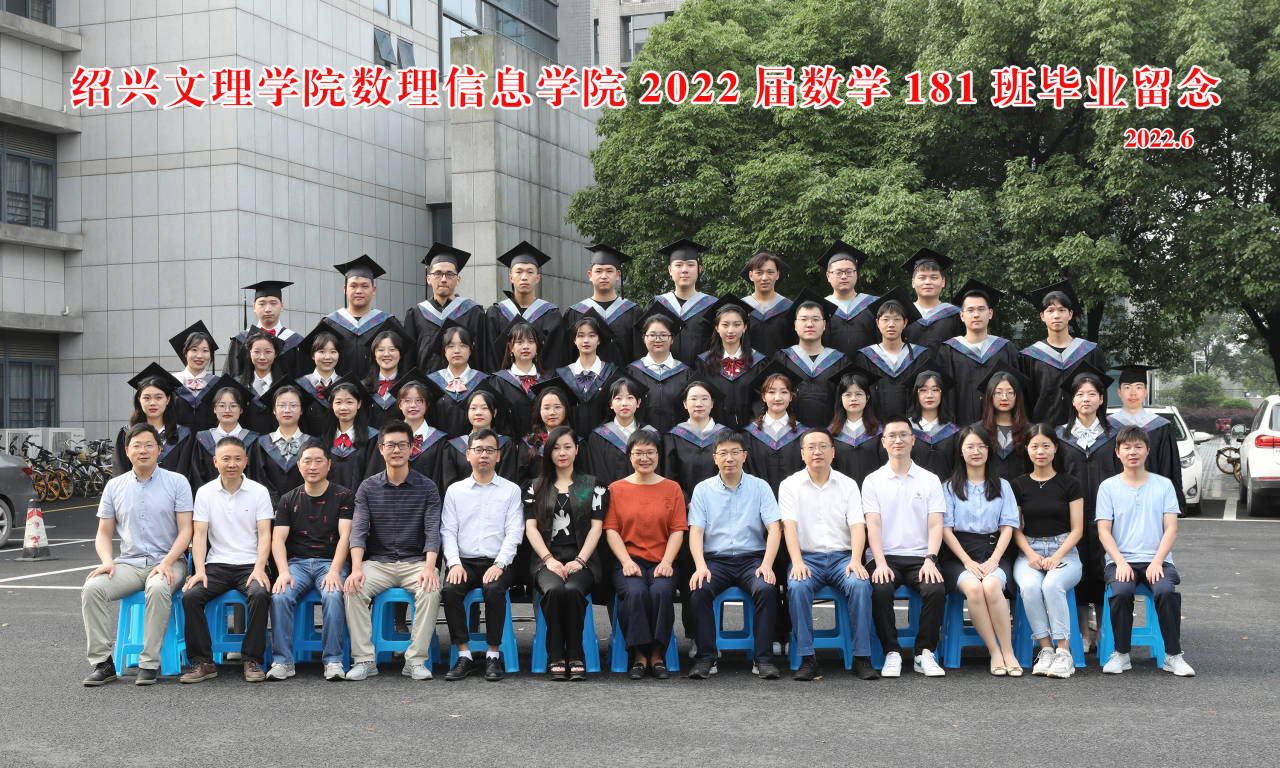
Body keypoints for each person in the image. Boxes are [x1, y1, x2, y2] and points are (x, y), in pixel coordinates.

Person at [80, 424, 193, 686]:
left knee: (158, 586)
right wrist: (107, 561)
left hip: (169, 562)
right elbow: (103, 533)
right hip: (129, 564)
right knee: (92, 588)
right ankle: (103, 663)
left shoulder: (177, 482)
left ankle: (149, 663)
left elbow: (186, 531)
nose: (143, 450)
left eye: (149, 445)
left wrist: (167, 562)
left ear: (159, 449)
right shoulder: (114, 486)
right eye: (137, 446)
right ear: (127, 450)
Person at [342, 421, 444, 681]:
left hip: (415, 562)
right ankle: (364, 660)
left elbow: (433, 532)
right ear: (381, 449)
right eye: (390, 445)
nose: (396, 450)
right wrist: (356, 569)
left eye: (402, 445)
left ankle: (415, 661)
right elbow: (358, 531)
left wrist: (430, 568)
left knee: (431, 588)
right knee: (353, 587)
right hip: (379, 563)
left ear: (412, 448)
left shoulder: (428, 487)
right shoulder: (368, 487)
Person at [780, 429, 878, 681]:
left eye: (823, 446)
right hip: (807, 558)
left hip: (842, 558)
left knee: (860, 584)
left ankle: (861, 657)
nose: (817, 452)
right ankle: (807, 658)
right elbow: (789, 526)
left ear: (833, 452)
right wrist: (797, 562)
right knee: (798, 586)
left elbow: (858, 525)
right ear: (802, 453)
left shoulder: (848, 484)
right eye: (811, 447)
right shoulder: (790, 485)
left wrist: (855, 559)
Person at [1096, 425, 1195, 676]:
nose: (1133, 452)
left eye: (1138, 446)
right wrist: (1120, 562)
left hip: (1157, 560)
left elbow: (1171, 529)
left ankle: (1173, 656)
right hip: (1120, 561)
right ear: (1117, 452)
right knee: (1121, 592)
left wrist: (1157, 562)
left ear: (1148, 450)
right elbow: (1104, 531)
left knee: (1165, 591)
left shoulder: (1164, 485)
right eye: (1127, 447)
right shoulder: (1108, 487)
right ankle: (1121, 654)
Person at [685, 431, 783, 680]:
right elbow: (696, 532)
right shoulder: (703, 490)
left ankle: (763, 659)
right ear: (715, 458)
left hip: (752, 559)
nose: (729, 458)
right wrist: (700, 566)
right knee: (699, 589)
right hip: (715, 561)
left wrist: (767, 564)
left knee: (766, 588)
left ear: (744, 456)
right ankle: (707, 657)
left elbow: (774, 528)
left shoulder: (760, 487)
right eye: (723, 453)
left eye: (735, 452)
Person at [179, 436, 274, 683]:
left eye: (237, 459)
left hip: (250, 564)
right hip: (217, 565)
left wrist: (260, 568)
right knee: (191, 596)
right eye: (226, 459)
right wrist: (199, 570)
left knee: (259, 593)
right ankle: (203, 662)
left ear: (245, 461)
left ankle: (251, 659)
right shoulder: (205, 492)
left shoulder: (259, 492)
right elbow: (199, 535)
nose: (232, 464)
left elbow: (265, 534)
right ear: (215, 461)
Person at [862, 415, 947, 678]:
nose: (898, 440)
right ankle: (892, 652)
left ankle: (924, 653)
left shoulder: (929, 479)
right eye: (892, 435)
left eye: (903, 435)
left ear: (913, 440)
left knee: (935, 588)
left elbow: (936, 524)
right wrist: (880, 563)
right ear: (883, 442)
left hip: (920, 556)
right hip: (884, 556)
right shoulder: (873, 480)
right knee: (880, 588)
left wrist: (931, 559)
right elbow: (873, 525)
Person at [523, 426, 609, 680]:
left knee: (572, 590)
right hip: (546, 560)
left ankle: (575, 653)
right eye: (556, 448)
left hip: (583, 559)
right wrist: (549, 560)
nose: (562, 453)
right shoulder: (535, 487)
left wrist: (580, 560)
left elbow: (596, 528)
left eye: (567, 447)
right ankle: (556, 656)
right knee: (554, 590)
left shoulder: (594, 485)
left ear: (577, 450)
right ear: (548, 452)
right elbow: (531, 529)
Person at [440, 429, 524, 681]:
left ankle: (493, 654)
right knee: (450, 590)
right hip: (464, 561)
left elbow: (514, 532)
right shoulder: (455, 491)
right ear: (468, 454)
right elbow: (447, 531)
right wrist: (454, 563)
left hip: (498, 561)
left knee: (494, 589)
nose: (484, 455)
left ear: (498, 455)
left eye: (489, 450)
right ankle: (464, 654)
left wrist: (500, 564)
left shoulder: (511, 490)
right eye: (478, 450)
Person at [266, 440, 354, 681]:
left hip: (330, 562)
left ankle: (333, 660)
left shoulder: (344, 496)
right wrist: (283, 572)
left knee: (333, 595)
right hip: (298, 564)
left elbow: (345, 537)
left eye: (318, 461)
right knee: (280, 595)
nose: (312, 466)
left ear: (329, 464)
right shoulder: (288, 499)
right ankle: (283, 661)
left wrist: (335, 570)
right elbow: (277, 539)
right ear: (299, 465)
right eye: (307, 461)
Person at [604, 431, 688, 679]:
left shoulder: (672, 488)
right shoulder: (616, 489)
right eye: (638, 453)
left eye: (650, 452)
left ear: (658, 455)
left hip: (663, 559)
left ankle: (657, 655)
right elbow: (611, 530)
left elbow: (678, 530)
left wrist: (668, 561)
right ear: (629, 456)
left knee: (661, 591)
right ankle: (639, 655)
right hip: (629, 559)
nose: (644, 458)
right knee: (635, 592)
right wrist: (626, 561)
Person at [939, 425, 1021, 675]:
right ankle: (994, 652)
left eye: (981, 446)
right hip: (958, 555)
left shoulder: (1003, 486)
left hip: (994, 550)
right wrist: (967, 561)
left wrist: (995, 559)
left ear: (989, 450)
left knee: (992, 586)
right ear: (961, 451)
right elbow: (945, 530)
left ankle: (1008, 651)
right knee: (974, 588)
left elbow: (1008, 526)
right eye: (970, 447)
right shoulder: (949, 487)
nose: (976, 452)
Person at [1055, 364, 1120, 651]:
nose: (1086, 399)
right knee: (1078, 572)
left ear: (1101, 399)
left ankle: (1104, 630)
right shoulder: (1060, 436)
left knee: (1104, 571)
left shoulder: (1115, 435)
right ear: (1072, 400)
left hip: (1107, 517)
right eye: (1080, 394)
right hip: (1072, 518)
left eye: (1092, 394)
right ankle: (1083, 632)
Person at [1011, 424, 1084, 678]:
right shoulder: (1018, 485)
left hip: (1064, 551)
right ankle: (1046, 650)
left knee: (1052, 585)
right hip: (1028, 551)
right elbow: (1015, 529)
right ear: (1026, 450)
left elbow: (1077, 529)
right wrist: (1031, 555)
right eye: (1034, 446)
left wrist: (1056, 556)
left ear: (1055, 448)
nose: (1040, 451)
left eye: (1046, 446)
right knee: (1030, 587)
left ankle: (1064, 652)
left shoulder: (1070, 483)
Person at [1018, 281, 1107, 426]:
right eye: (1050, 310)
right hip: (1043, 433)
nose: (1056, 315)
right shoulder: (1029, 356)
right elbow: (1026, 401)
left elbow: (1101, 394)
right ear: (1042, 316)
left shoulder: (1090, 351)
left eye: (1062, 310)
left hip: (1083, 432)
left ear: (1070, 314)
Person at [934, 279, 1018, 427]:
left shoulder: (1005, 349)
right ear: (962, 316)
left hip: (1000, 429)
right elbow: (944, 396)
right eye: (970, 310)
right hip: (961, 429)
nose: (976, 315)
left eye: (981, 309)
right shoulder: (948, 351)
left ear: (990, 313)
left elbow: (1017, 392)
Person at [1109, 364, 1186, 513]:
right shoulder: (1108, 427)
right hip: (1117, 504)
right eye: (1127, 387)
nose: (1133, 393)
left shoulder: (1161, 426)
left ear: (1145, 392)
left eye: (1138, 387)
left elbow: (1169, 467)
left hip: (1152, 504)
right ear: (1119, 392)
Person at [405, 242, 489, 373]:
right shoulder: (416, 314)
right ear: (428, 278)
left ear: (458, 279)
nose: (443, 279)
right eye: (438, 273)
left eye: (449, 274)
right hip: (425, 383)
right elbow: (408, 359)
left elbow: (481, 356)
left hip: (464, 383)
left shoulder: (473, 312)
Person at [322, 255, 407, 378]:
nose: (359, 291)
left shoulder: (388, 323)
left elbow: (404, 361)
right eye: (353, 286)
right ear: (345, 289)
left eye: (365, 286)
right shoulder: (330, 323)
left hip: (377, 388)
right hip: (340, 389)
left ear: (373, 290)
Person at [486, 241, 567, 370]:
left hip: (541, 381)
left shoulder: (550, 314)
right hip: (502, 380)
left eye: (530, 272)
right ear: (511, 277)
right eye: (519, 272)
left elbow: (555, 357)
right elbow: (490, 356)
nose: (524, 277)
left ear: (538, 278)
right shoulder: (495, 313)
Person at [853, 288, 933, 418]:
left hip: (912, 424)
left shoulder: (920, 356)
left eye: (897, 319)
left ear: (905, 323)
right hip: (875, 425)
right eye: (886, 319)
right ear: (877, 323)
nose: (891, 324)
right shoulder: (866, 357)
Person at [776, 290, 847, 429]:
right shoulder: (783, 358)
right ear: (795, 325)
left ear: (824, 324)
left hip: (830, 434)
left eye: (815, 319)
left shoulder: (840, 361)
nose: (810, 324)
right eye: (804, 319)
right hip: (789, 433)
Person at [115, 364, 196, 484]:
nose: (152, 403)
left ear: (168, 399)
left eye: (158, 397)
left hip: (171, 494)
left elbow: (184, 473)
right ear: (139, 400)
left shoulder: (182, 435)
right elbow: (121, 473)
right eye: (147, 398)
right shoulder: (127, 433)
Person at [695, 297, 768, 430]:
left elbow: (761, 400)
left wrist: (752, 429)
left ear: (745, 327)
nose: (731, 330)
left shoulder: (758, 362)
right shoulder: (704, 363)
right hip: (714, 433)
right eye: (725, 325)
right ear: (717, 327)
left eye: (737, 324)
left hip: (750, 432)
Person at [563, 244, 641, 366]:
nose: (604, 276)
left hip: (624, 377)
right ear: (590, 275)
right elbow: (567, 356)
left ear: (618, 275)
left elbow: (639, 355)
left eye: (609, 271)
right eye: (598, 271)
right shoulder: (575, 312)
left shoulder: (632, 312)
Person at [645, 238, 718, 366]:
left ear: (699, 269)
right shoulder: (657, 305)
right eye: (678, 265)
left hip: (701, 375)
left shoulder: (712, 306)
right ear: (670, 270)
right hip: (662, 374)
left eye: (690, 265)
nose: (684, 270)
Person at [743, 361, 808, 496]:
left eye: (784, 392)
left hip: (796, 502)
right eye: (771, 392)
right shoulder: (749, 435)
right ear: (763, 397)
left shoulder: (804, 435)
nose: (777, 398)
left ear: (791, 396)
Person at [246, 380, 315, 507]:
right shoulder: (260, 444)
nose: (287, 410)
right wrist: (275, 505)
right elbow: (256, 479)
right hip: (267, 510)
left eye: (293, 405)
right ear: (274, 410)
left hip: (306, 509)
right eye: (281, 405)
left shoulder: (314, 444)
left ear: (301, 410)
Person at [551, 313, 619, 438]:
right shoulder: (562, 374)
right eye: (581, 336)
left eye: (591, 335)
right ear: (574, 340)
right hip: (569, 441)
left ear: (599, 340)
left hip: (605, 440)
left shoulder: (612, 373)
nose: (586, 340)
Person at [628, 306, 694, 433]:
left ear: (672, 339)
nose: (657, 339)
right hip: (642, 440)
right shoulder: (632, 372)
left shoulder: (686, 374)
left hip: (677, 439)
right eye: (652, 335)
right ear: (644, 338)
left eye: (663, 335)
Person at [586, 375, 659, 488]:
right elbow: (598, 473)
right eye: (618, 398)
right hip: (612, 495)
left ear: (638, 402)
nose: (624, 403)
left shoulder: (651, 434)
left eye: (630, 397)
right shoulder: (599, 437)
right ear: (611, 404)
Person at [663, 380, 731, 499]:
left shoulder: (727, 436)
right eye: (693, 399)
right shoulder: (673, 437)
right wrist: (687, 501)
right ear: (685, 404)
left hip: (723, 503)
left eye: (704, 399)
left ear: (712, 403)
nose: (699, 404)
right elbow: (669, 477)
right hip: (685, 506)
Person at [441, 387, 520, 488]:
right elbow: (450, 485)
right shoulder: (454, 446)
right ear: (467, 413)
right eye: (473, 408)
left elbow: (507, 481)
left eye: (485, 408)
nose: (478, 412)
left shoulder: (505, 444)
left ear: (494, 412)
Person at [225, 280, 302, 381]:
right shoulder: (240, 340)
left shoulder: (295, 342)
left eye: (273, 303)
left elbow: (302, 380)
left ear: (282, 306)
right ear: (254, 307)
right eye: (262, 304)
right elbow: (230, 378)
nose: (267, 309)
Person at [486, 320, 550, 437]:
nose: (526, 346)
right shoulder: (499, 381)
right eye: (519, 342)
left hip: (544, 444)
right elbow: (497, 421)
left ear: (537, 347)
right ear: (511, 348)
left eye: (531, 341)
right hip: (511, 444)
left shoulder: (548, 380)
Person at [191, 380, 260, 488]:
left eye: (233, 406)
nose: (227, 410)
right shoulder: (203, 439)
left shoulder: (253, 439)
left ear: (241, 410)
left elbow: (257, 475)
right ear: (215, 409)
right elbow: (197, 476)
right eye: (222, 405)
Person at [389, 372, 449, 491]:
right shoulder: (389, 439)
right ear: (400, 405)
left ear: (427, 404)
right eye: (407, 401)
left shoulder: (439, 442)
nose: (413, 405)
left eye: (419, 400)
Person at [426, 323, 488, 438]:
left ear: (470, 350)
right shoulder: (432, 381)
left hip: (474, 444)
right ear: (444, 351)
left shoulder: (483, 381)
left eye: (463, 345)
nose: (457, 350)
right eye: (451, 346)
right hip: (439, 445)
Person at [820, 240, 879, 358]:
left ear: (856, 274)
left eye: (849, 272)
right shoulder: (820, 307)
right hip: (831, 367)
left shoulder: (874, 304)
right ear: (828, 276)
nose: (844, 276)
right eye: (838, 272)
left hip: (868, 367)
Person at [319, 380, 379, 492]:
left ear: (359, 404)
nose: (343, 407)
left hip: (361, 500)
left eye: (349, 402)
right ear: (332, 405)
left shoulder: (373, 438)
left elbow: (373, 473)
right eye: (338, 402)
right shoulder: (325, 439)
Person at [977, 366, 1035, 482]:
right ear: (990, 396)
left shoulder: (1031, 431)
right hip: (988, 490)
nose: (1004, 398)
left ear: (1017, 396)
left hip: (1022, 490)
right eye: (998, 392)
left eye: (1010, 392)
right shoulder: (977, 431)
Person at [828, 370, 886, 486]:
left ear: (867, 397)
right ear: (841, 398)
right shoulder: (830, 434)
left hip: (874, 491)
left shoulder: (881, 432)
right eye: (848, 394)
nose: (853, 398)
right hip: (841, 492)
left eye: (859, 394)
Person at [901, 248, 962, 350]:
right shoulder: (902, 314)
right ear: (913, 282)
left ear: (943, 282)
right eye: (922, 277)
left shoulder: (957, 316)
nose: (928, 282)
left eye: (934, 277)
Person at [167, 321, 223, 430]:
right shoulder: (171, 382)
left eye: (205, 351)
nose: (199, 356)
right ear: (185, 353)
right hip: (176, 438)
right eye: (194, 350)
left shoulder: (218, 384)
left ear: (210, 355)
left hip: (209, 439)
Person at [738, 250, 793, 358]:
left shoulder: (790, 308)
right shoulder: (740, 308)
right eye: (759, 272)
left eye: (770, 272)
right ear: (751, 275)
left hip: (782, 367)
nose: (764, 278)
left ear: (777, 275)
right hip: (748, 366)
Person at [908, 370, 959, 480]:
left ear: (942, 393)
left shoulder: (953, 431)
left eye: (935, 390)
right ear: (916, 394)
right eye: (923, 390)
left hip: (945, 488)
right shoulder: (906, 429)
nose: (929, 395)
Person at [294, 326, 343, 436]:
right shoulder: (300, 385)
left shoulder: (345, 385)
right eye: (321, 351)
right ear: (313, 355)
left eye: (333, 352)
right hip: (308, 443)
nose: (327, 357)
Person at [521, 381, 573, 483]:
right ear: (539, 411)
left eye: (557, 407)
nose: (552, 412)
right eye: (546, 408)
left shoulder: (576, 443)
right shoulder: (529, 443)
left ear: (565, 409)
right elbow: (522, 482)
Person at [236, 331, 283, 435]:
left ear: (275, 354)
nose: (262, 357)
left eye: (268, 352)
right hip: (245, 441)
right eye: (257, 352)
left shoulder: (284, 386)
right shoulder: (237, 384)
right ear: (250, 353)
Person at [361, 329, 408, 429]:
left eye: (392, 349)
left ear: (400, 354)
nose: (386, 354)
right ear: (374, 354)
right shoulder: (362, 387)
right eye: (381, 350)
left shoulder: (409, 386)